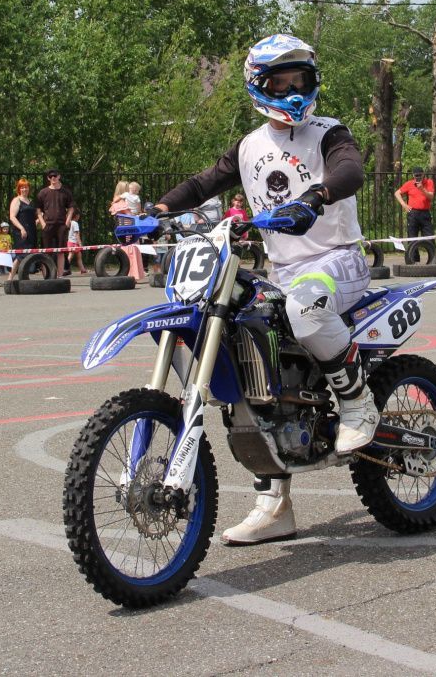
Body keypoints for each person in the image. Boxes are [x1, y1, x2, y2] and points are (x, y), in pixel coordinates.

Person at [152, 34, 373, 547]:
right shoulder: (251, 145)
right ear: (258, 85)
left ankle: (358, 400)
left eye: (301, 79)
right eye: (281, 81)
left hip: (337, 262)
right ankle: (274, 505)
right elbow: (205, 181)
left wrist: (317, 196)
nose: (293, 91)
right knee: (242, 349)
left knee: (303, 305)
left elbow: (351, 170)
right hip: (283, 269)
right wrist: (158, 210)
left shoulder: (328, 132)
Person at [36, 169, 77, 278]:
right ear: (48, 178)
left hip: (61, 225)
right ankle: (46, 275)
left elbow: (71, 207)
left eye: (55, 176)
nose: (53, 178)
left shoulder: (65, 192)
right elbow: (38, 209)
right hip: (47, 225)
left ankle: (60, 275)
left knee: (61, 251)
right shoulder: (43, 192)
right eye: (50, 176)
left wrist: (67, 221)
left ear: (59, 176)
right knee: (46, 251)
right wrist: (42, 222)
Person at [109, 181, 145, 281]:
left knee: (130, 250)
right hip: (129, 229)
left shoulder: (119, 201)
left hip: (125, 229)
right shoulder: (122, 203)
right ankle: (132, 274)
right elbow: (130, 215)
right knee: (131, 251)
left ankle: (130, 274)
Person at [394, 166, 435, 239]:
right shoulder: (409, 184)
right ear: (413, 175)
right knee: (412, 238)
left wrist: (422, 189)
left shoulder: (429, 182)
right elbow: (397, 193)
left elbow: (431, 197)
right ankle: (413, 250)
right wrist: (404, 205)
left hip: (425, 213)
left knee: (429, 237)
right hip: (413, 213)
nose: (418, 177)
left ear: (423, 174)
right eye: (416, 175)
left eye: (420, 175)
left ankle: (431, 250)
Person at [8, 178, 39, 263]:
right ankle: (10, 276)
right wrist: (22, 229)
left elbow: (33, 217)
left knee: (34, 254)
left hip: (32, 231)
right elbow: (12, 217)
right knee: (21, 256)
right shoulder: (16, 200)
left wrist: (37, 221)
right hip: (21, 232)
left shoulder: (30, 201)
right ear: (19, 189)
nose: (24, 189)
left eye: (26, 187)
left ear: (29, 188)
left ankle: (48, 276)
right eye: (22, 187)